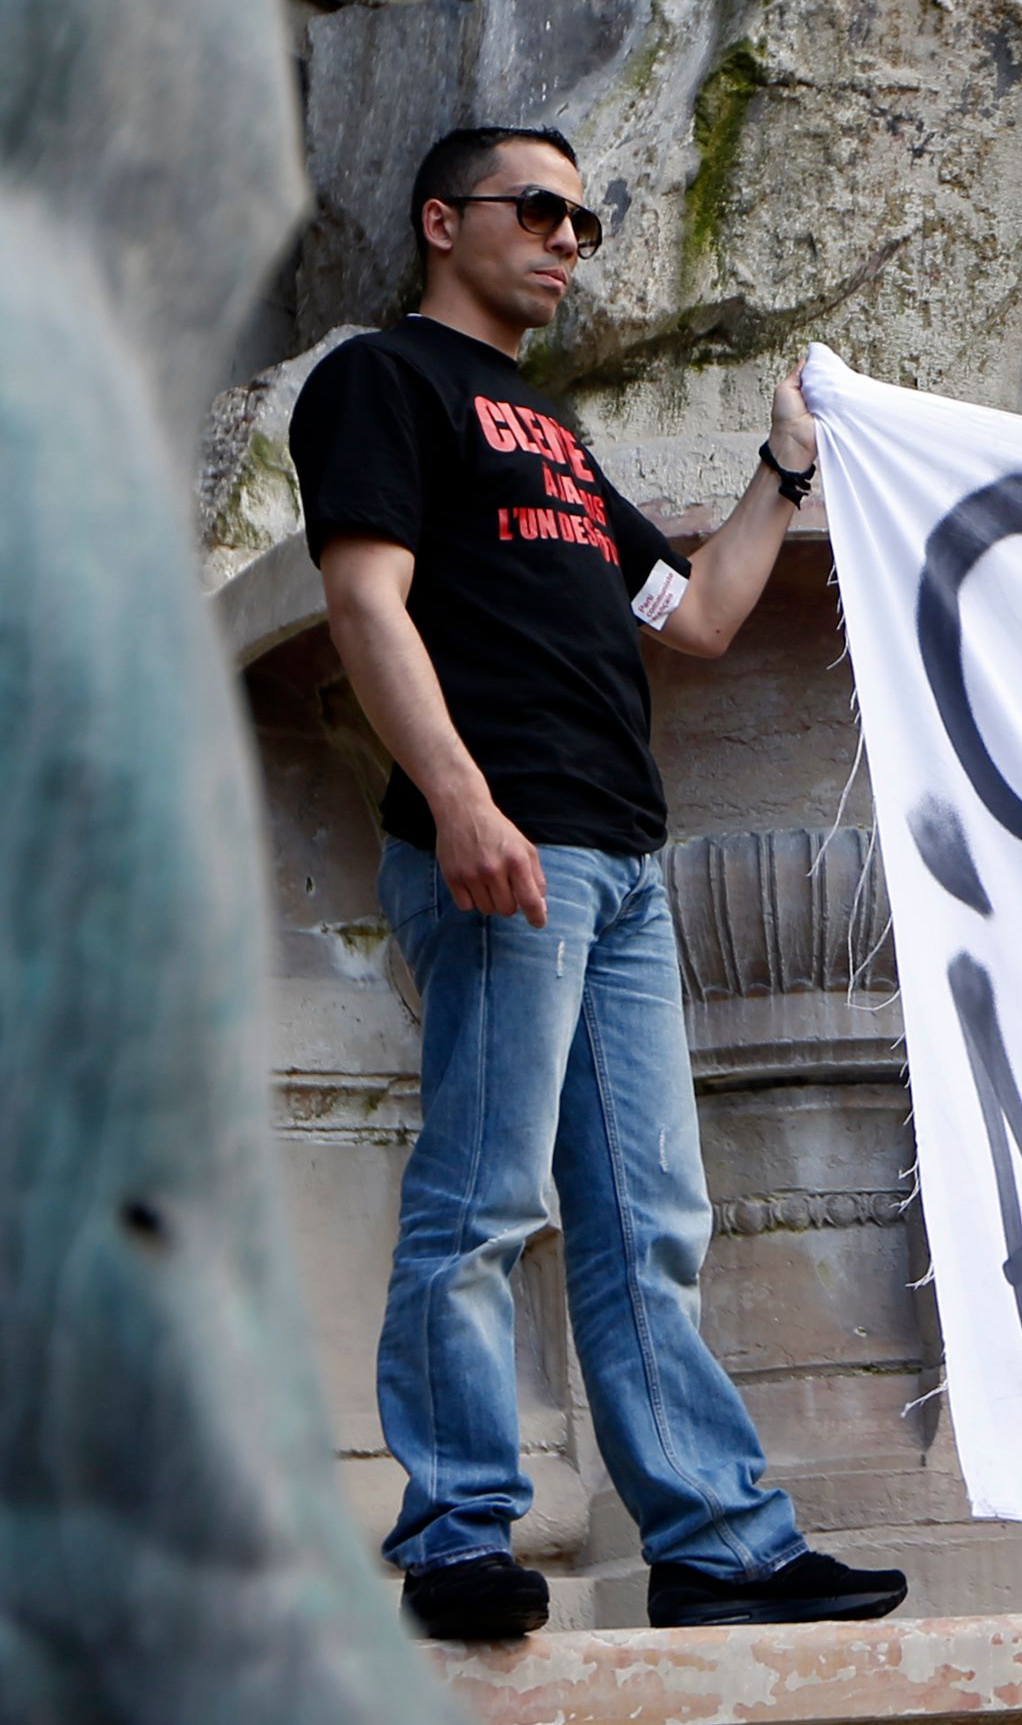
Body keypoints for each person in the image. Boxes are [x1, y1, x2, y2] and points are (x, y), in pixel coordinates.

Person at [291, 124, 906, 1639]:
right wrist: (458, 798)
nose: (571, 238)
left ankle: (716, 1546)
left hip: (623, 856)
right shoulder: (383, 380)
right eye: (541, 208)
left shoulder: (550, 433)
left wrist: (783, 467)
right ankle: (453, 1534)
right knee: (486, 1196)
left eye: (588, 216)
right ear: (445, 220)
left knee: (648, 1219)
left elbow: (694, 621)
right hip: (512, 838)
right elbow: (366, 601)